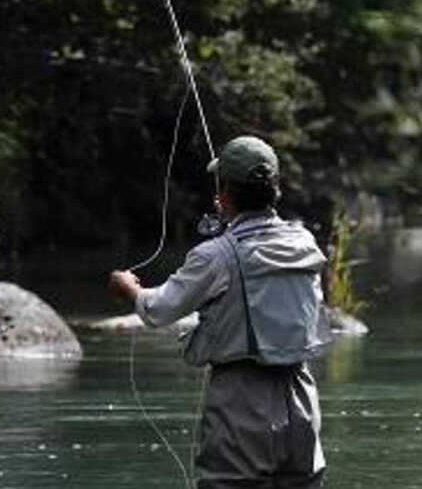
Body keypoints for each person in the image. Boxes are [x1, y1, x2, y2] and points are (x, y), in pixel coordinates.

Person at [110, 135, 330, 489]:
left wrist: (129, 289)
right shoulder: (305, 244)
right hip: (302, 397)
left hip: (242, 401)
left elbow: (158, 310)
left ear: (224, 191)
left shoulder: (215, 256)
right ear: (276, 187)